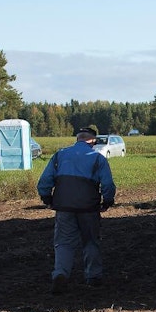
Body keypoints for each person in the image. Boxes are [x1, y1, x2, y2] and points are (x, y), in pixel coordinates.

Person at [37, 126, 117, 294]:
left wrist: (47, 199)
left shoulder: (60, 155)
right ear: (93, 141)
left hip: (64, 207)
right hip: (89, 207)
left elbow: (44, 181)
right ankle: (93, 277)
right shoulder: (97, 158)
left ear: (77, 139)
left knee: (63, 242)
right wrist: (107, 201)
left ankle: (60, 274)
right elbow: (107, 184)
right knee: (90, 241)